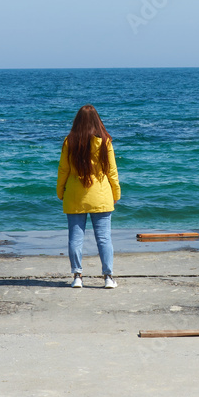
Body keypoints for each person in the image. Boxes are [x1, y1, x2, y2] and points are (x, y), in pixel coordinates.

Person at [56, 104, 121, 288]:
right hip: (101, 196)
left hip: (76, 196)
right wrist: (116, 193)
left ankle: (77, 276)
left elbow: (63, 170)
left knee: (75, 239)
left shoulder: (70, 141)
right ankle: (108, 277)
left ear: (77, 121)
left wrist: (60, 191)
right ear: (97, 120)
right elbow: (112, 172)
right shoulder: (105, 141)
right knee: (104, 239)